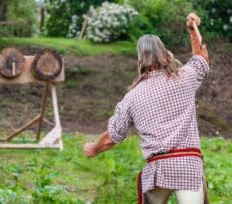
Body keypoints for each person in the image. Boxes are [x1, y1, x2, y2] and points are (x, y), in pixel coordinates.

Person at [83, 13, 209, 204]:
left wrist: (93, 148)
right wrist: (192, 30)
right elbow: (202, 58)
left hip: (158, 171)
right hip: (189, 166)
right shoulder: (185, 78)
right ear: (163, 52)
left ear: (140, 58)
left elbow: (111, 138)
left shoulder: (132, 97)